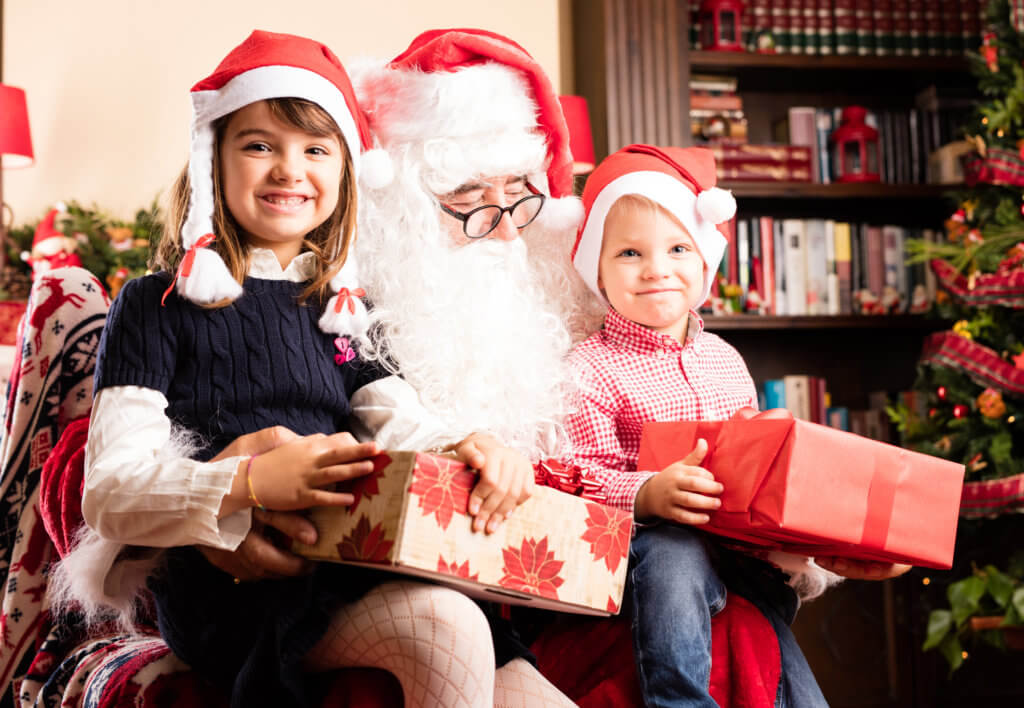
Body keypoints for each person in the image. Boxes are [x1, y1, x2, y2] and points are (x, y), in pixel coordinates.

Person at [56, 29, 568, 708]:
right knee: (445, 626)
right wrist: (246, 482)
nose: (289, 170)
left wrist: (467, 445)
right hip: (228, 585)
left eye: (315, 149)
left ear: (344, 171)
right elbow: (110, 493)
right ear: (212, 159)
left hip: (345, 559)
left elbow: (399, 420)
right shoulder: (155, 306)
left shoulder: (342, 306)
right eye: (259, 145)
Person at [564, 143, 910, 707]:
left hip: (743, 553)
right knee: (674, 552)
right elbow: (579, 477)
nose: (656, 269)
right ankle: (677, 700)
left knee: (786, 669)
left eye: (678, 248)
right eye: (629, 252)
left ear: (704, 260)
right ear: (596, 269)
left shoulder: (725, 359)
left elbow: (759, 466)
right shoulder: (590, 368)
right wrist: (647, 493)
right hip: (652, 554)